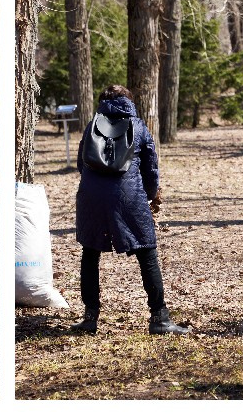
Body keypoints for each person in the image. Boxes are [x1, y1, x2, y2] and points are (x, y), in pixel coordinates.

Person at [71, 85, 189, 335]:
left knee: (90, 255)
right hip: (129, 195)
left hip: (91, 198)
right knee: (147, 253)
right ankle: (159, 317)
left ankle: (90, 318)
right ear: (129, 102)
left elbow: (82, 163)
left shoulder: (92, 124)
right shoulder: (139, 126)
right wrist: (148, 196)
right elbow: (151, 168)